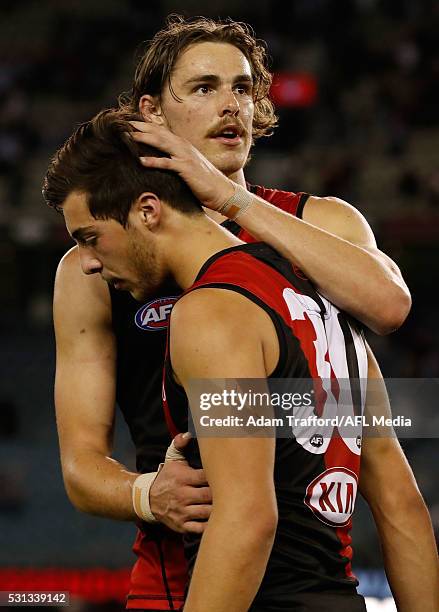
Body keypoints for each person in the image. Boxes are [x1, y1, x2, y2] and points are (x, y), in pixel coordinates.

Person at [48, 15, 414, 610]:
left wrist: (235, 203)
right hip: (175, 575)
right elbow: (81, 465)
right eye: (203, 87)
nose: (231, 105)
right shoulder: (93, 265)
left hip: (296, 563)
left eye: (243, 88)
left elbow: (390, 305)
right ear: (152, 113)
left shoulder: (319, 225)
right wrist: (146, 493)